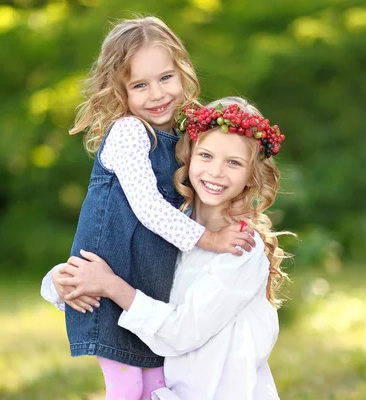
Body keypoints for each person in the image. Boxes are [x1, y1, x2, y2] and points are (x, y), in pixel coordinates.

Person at [42, 17, 256, 400]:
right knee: (126, 388)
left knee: (157, 388)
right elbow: (148, 208)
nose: (157, 94)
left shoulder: (181, 138)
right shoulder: (129, 133)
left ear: (182, 72)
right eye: (140, 85)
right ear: (119, 91)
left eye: (166, 78)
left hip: (147, 298)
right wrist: (209, 239)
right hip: (108, 294)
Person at [45, 97, 290, 399]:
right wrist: (63, 279)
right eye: (206, 155)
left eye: (234, 162)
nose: (216, 172)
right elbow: (119, 266)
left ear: (252, 176)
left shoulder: (241, 248)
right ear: (188, 157)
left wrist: (111, 286)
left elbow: (182, 331)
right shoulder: (171, 227)